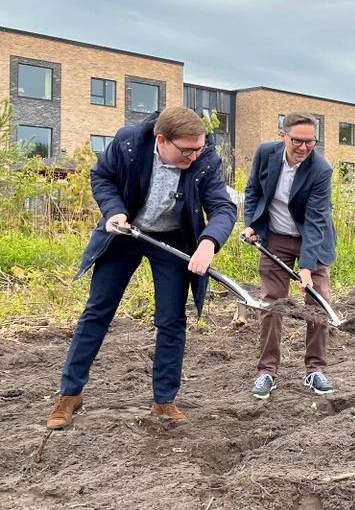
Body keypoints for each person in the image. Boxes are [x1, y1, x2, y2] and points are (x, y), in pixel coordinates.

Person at [46, 107, 236, 429]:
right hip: (125, 231)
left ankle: (164, 401)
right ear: (161, 140)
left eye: (198, 148)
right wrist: (114, 212)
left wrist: (208, 243)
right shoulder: (129, 143)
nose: (193, 156)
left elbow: (221, 206)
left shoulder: (205, 159)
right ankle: (69, 394)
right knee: (97, 311)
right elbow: (102, 177)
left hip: (172, 239)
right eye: (186, 150)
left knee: (172, 320)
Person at [242, 112, 338, 399]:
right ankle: (267, 372)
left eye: (311, 142)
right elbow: (253, 190)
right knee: (272, 304)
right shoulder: (265, 154)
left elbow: (317, 219)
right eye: (298, 140)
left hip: (313, 240)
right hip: (276, 238)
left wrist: (307, 267)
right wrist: (251, 223)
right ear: (283, 135)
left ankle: (315, 371)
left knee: (318, 302)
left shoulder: (321, 169)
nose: (304, 147)